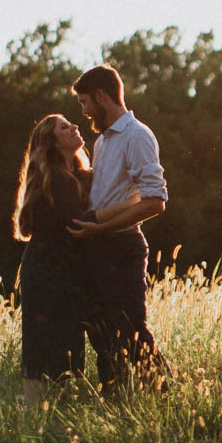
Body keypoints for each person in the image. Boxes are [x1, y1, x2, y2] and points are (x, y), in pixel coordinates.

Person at [67, 65, 169, 393]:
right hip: (96, 247)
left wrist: (102, 228)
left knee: (131, 331)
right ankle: (116, 403)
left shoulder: (137, 135)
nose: (83, 111)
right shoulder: (102, 141)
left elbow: (155, 201)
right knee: (102, 336)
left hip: (122, 247)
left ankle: (166, 400)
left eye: (85, 103)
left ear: (101, 96)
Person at [10, 113, 93, 406]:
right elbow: (75, 222)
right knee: (41, 339)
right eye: (64, 127)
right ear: (51, 141)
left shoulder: (83, 176)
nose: (74, 127)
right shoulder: (53, 178)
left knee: (71, 339)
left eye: (71, 123)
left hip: (70, 270)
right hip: (46, 270)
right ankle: (35, 414)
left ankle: (64, 411)